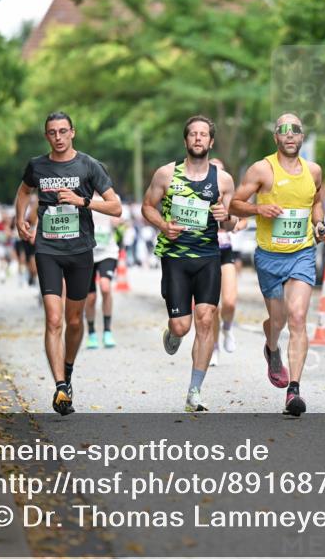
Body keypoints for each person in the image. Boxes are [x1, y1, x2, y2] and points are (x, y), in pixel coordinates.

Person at [14, 111, 121, 416]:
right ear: (46, 135)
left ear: (73, 132)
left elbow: (116, 207)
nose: (58, 137)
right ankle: (61, 386)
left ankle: (68, 369)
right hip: (48, 249)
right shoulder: (37, 165)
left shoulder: (88, 165)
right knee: (54, 319)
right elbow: (23, 191)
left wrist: (82, 201)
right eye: (52, 132)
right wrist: (19, 218)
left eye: (63, 131)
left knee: (74, 322)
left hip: (80, 251)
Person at [230, 113, 325, 416]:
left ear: (302, 137)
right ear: (276, 138)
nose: (289, 135)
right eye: (283, 131)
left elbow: (316, 202)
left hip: (301, 253)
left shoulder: (313, 171)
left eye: (295, 130)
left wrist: (320, 224)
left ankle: (294, 392)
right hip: (270, 257)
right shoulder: (262, 169)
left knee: (298, 317)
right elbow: (235, 203)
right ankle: (271, 347)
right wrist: (259, 208)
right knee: (279, 321)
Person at [142, 115, 237, 412]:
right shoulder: (166, 175)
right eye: (193, 134)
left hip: (208, 257)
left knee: (206, 319)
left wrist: (227, 219)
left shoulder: (223, 180)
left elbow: (231, 222)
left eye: (203, 134)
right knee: (182, 327)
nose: (198, 138)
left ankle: (194, 391)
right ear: (186, 141)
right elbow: (147, 207)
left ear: (210, 142)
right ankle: (173, 332)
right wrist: (163, 225)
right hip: (175, 258)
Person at [208, 158, 247, 367]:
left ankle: (228, 328)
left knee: (230, 301)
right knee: (211, 307)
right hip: (205, 252)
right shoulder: (199, 193)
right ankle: (213, 347)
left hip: (225, 251)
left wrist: (236, 225)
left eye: (220, 171)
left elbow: (244, 217)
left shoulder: (229, 194)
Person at [84, 193, 121, 349]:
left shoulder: (113, 197)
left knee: (105, 288)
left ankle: (107, 331)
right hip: (87, 253)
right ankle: (91, 332)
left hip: (108, 251)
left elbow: (118, 220)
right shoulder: (82, 196)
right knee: (90, 297)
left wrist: (115, 219)